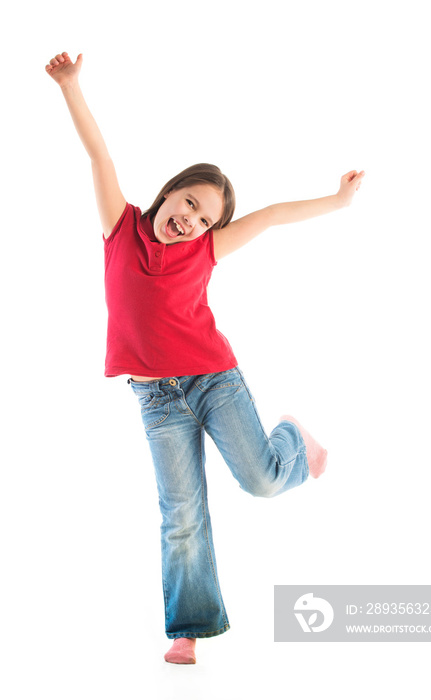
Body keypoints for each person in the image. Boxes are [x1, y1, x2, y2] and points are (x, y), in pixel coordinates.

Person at [45, 51, 365, 665]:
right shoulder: (122, 228)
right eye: (187, 202)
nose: (189, 219)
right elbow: (99, 156)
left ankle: (293, 436)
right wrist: (70, 85)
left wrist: (336, 201)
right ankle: (188, 627)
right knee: (181, 510)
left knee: (263, 481)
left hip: (214, 380)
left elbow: (270, 217)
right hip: (155, 398)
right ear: (169, 194)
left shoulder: (206, 251)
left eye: (204, 217)